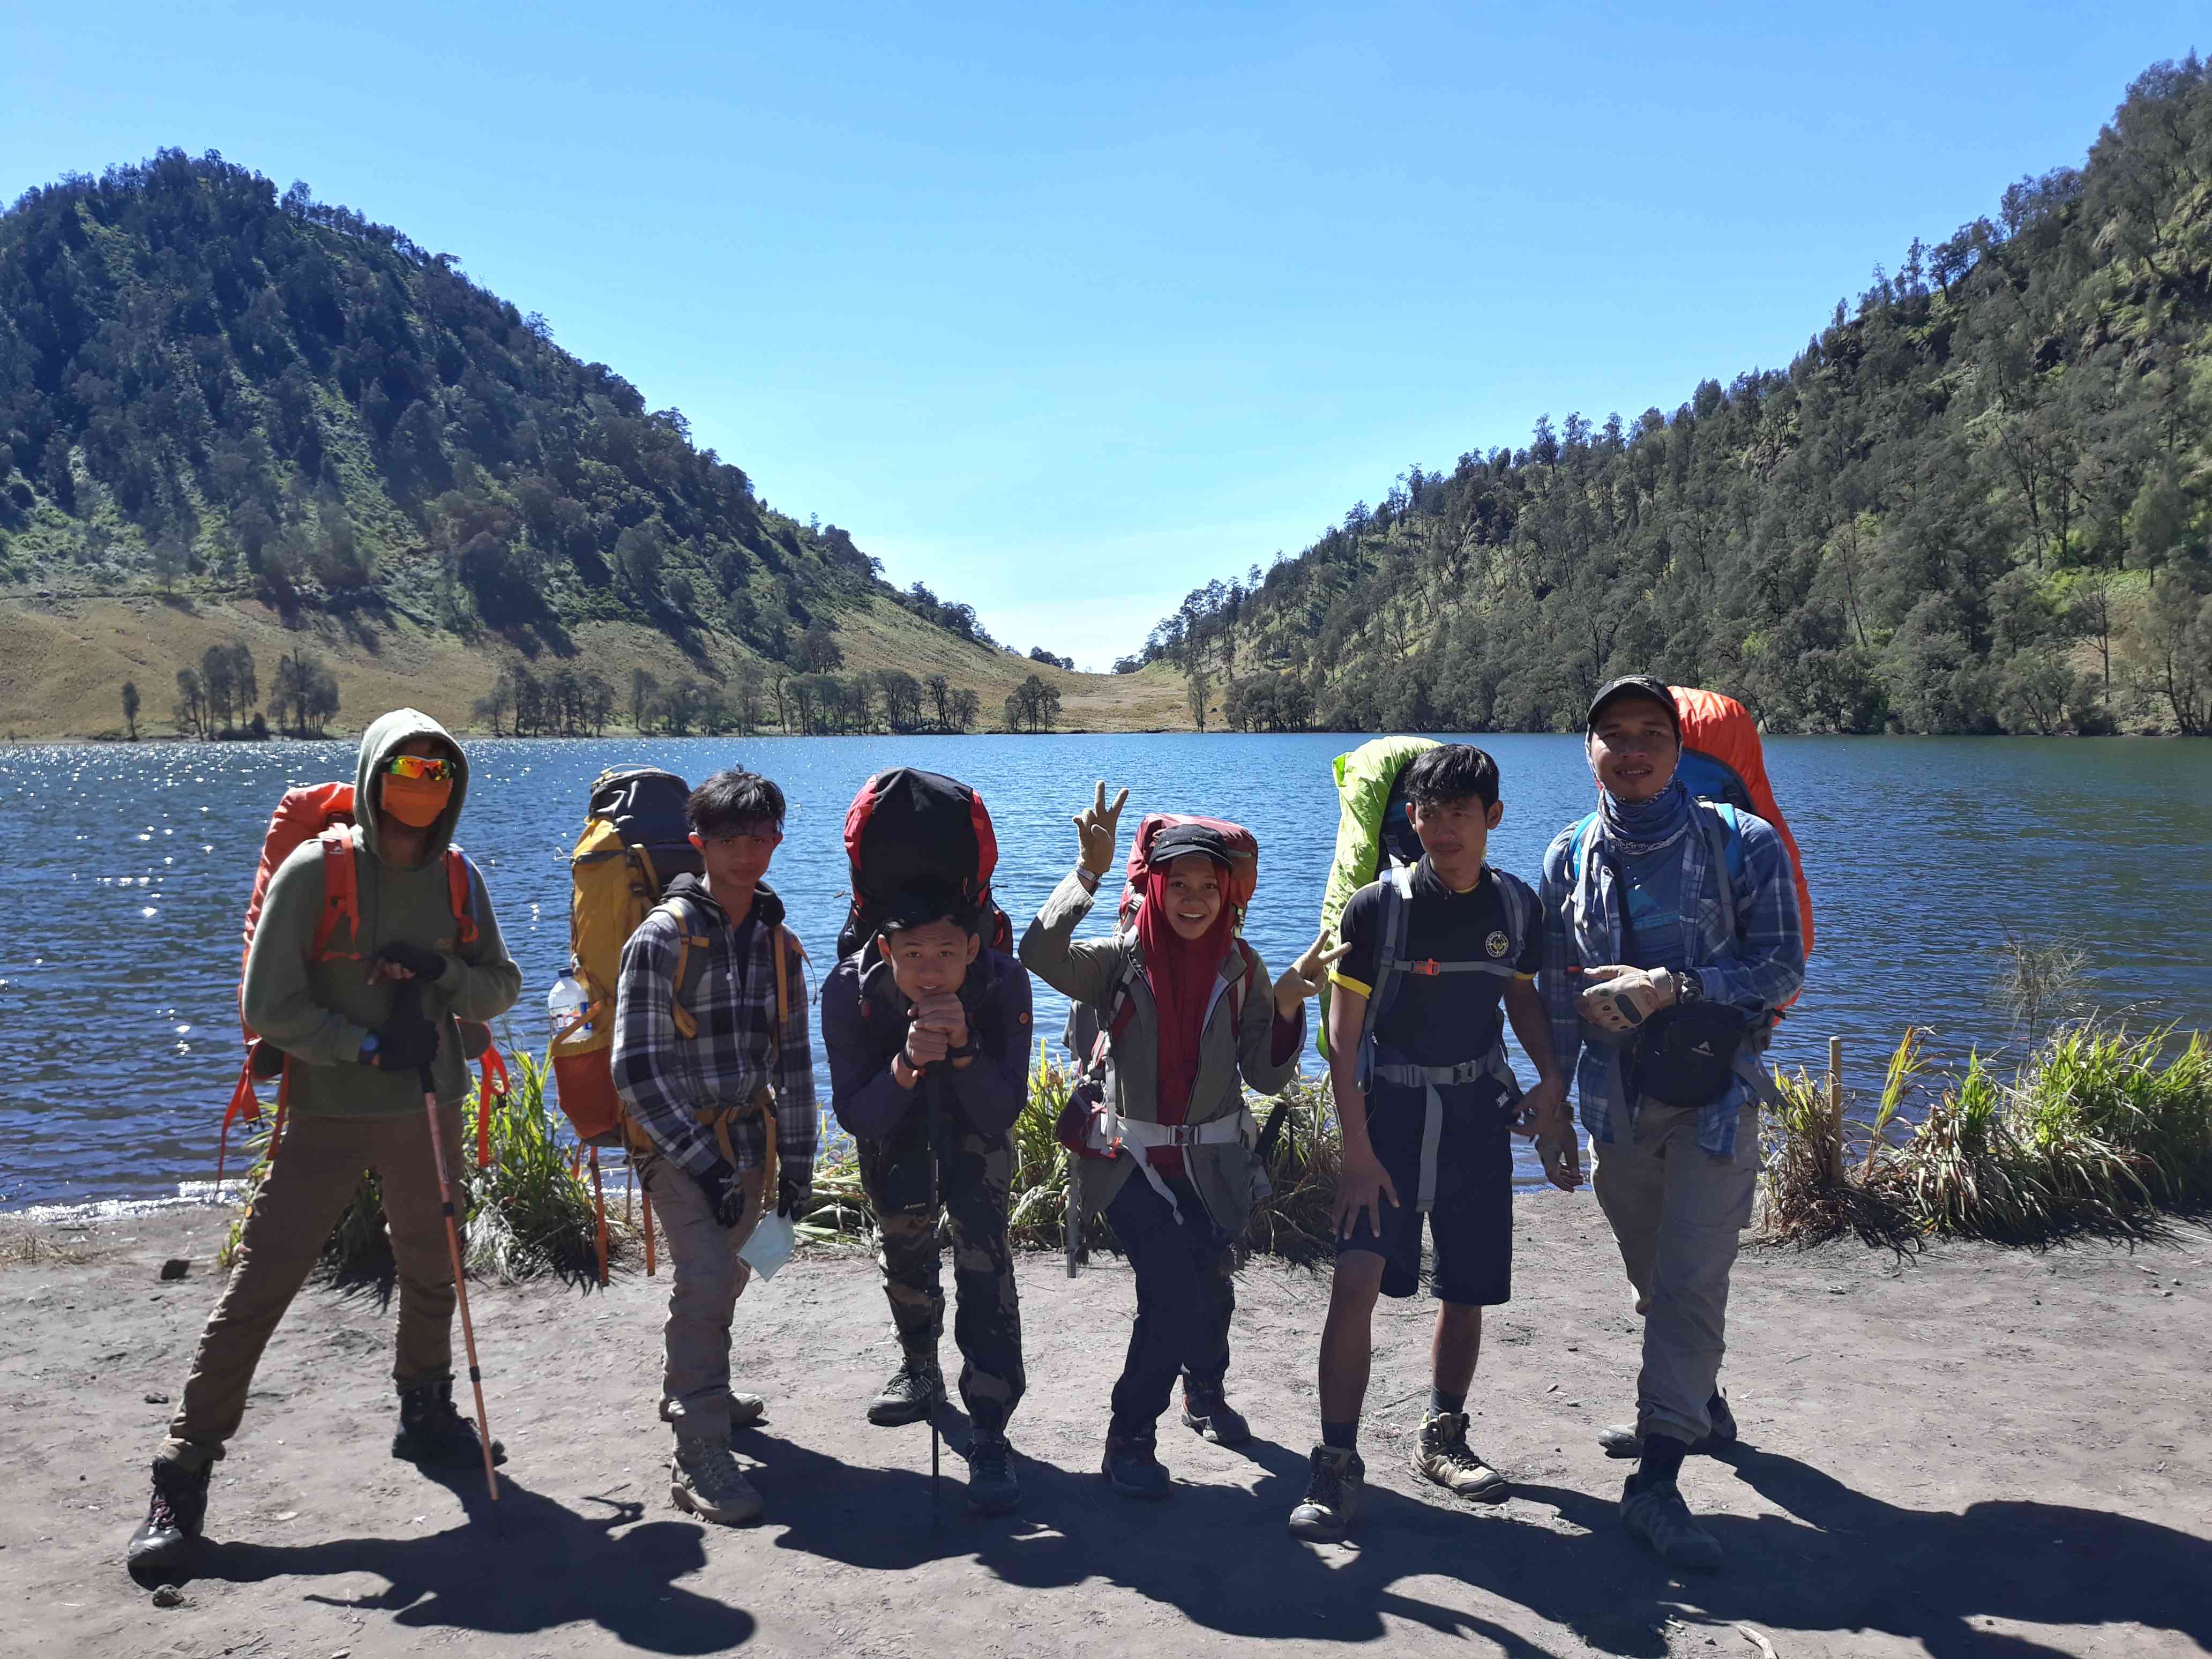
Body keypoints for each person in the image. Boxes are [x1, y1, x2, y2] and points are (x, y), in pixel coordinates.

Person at [127, 710, 523, 1580]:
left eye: (439, 774)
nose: (423, 786)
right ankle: (181, 1470)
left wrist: (440, 976)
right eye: (409, 771)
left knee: (433, 1261)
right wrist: (368, 1045)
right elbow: (267, 1007)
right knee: (262, 1280)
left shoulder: (459, 877)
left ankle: (424, 1410)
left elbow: (500, 985)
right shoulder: (316, 871)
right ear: (377, 774)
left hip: (427, 1107)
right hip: (328, 1110)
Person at [1537, 675, 1804, 1572]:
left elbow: (1778, 965)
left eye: (1650, 731)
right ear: (1589, 753)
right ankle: (1701, 1406)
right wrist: (1548, 1094)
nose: (1632, 748)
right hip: (1613, 1107)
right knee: (1653, 1275)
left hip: (1715, 1103)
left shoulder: (1743, 845)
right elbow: (1549, 990)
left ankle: (1653, 1482)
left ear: (1677, 749)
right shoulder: (1565, 855)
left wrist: (1677, 989)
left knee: (1689, 1279)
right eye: (1612, 733)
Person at [1290, 743, 1572, 1542]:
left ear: (1493, 818)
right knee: (1356, 1283)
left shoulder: (1517, 908)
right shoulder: (1377, 910)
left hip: (1477, 1116)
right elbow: (1343, 1048)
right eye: (1427, 812)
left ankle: (1442, 1437)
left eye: (1460, 812)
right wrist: (1356, 1152)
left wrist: (1552, 1084)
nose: (1442, 828)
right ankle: (1336, 1465)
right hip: (1387, 1120)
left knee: (1469, 1286)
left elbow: (1521, 1002)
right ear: (1408, 818)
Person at [1022, 784, 1329, 1498]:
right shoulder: (1115, 962)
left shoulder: (1244, 969)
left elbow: (1268, 1075)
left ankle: (1204, 1390)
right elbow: (1039, 950)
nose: (1194, 899)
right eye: (1179, 883)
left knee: (1211, 1286)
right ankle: (1129, 1435)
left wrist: (1285, 1007)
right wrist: (1087, 873)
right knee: (1170, 1293)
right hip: (1125, 1160)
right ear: (1153, 887)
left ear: (1229, 894)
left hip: (1214, 1163)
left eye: (1208, 886)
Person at [610, 767, 816, 1528]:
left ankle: (695, 1385)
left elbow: (793, 1064)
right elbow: (634, 1071)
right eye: (731, 839)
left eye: (762, 837)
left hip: (751, 1138)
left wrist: (796, 1170)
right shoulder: (660, 939)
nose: (749, 853)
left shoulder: (780, 943)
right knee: (704, 1275)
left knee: (733, 1270)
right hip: (677, 1140)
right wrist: (703, 1165)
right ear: (699, 843)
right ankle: (699, 1447)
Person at [820, 881, 1034, 1515]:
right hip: (896, 1126)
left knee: (984, 1264)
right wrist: (906, 1066)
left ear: (973, 947)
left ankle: (990, 1427)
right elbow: (857, 1115)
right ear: (884, 949)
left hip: (975, 1128)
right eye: (912, 954)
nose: (930, 969)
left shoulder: (1004, 984)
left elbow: (1002, 1109)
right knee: (904, 1248)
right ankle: (920, 1368)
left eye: (945, 951)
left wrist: (964, 1051)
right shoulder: (846, 990)